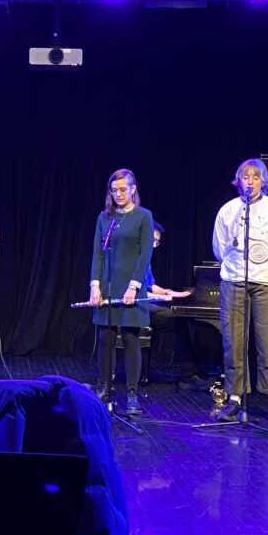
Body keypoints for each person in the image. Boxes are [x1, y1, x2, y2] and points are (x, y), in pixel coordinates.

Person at [211, 159, 268, 426]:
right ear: (239, 181)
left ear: (263, 181)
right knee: (233, 342)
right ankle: (235, 399)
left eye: (255, 177)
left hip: (267, 285)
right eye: (245, 177)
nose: (250, 181)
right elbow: (219, 247)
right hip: (234, 282)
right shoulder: (228, 211)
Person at [89, 169, 153, 415]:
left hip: (131, 287)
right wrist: (95, 285)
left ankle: (132, 394)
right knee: (105, 339)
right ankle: (104, 388)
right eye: (114, 191)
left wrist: (134, 286)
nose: (118, 194)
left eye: (123, 190)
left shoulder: (143, 217)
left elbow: (145, 254)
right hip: (107, 285)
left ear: (133, 188)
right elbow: (97, 252)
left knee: (129, 339)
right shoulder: (104, 217)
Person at [138, 222, 198, 385]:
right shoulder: (131, 256)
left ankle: (191, 370)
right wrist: (161, 298)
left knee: (179, 315)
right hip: (133, 307)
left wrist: (173, 293)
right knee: (175, 318)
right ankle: (189, 373)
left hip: (144, 303)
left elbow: (151, 285)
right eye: (153, 240)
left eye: (157, 242)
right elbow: (133, 292)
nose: (155, 245)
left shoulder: (145, 257)